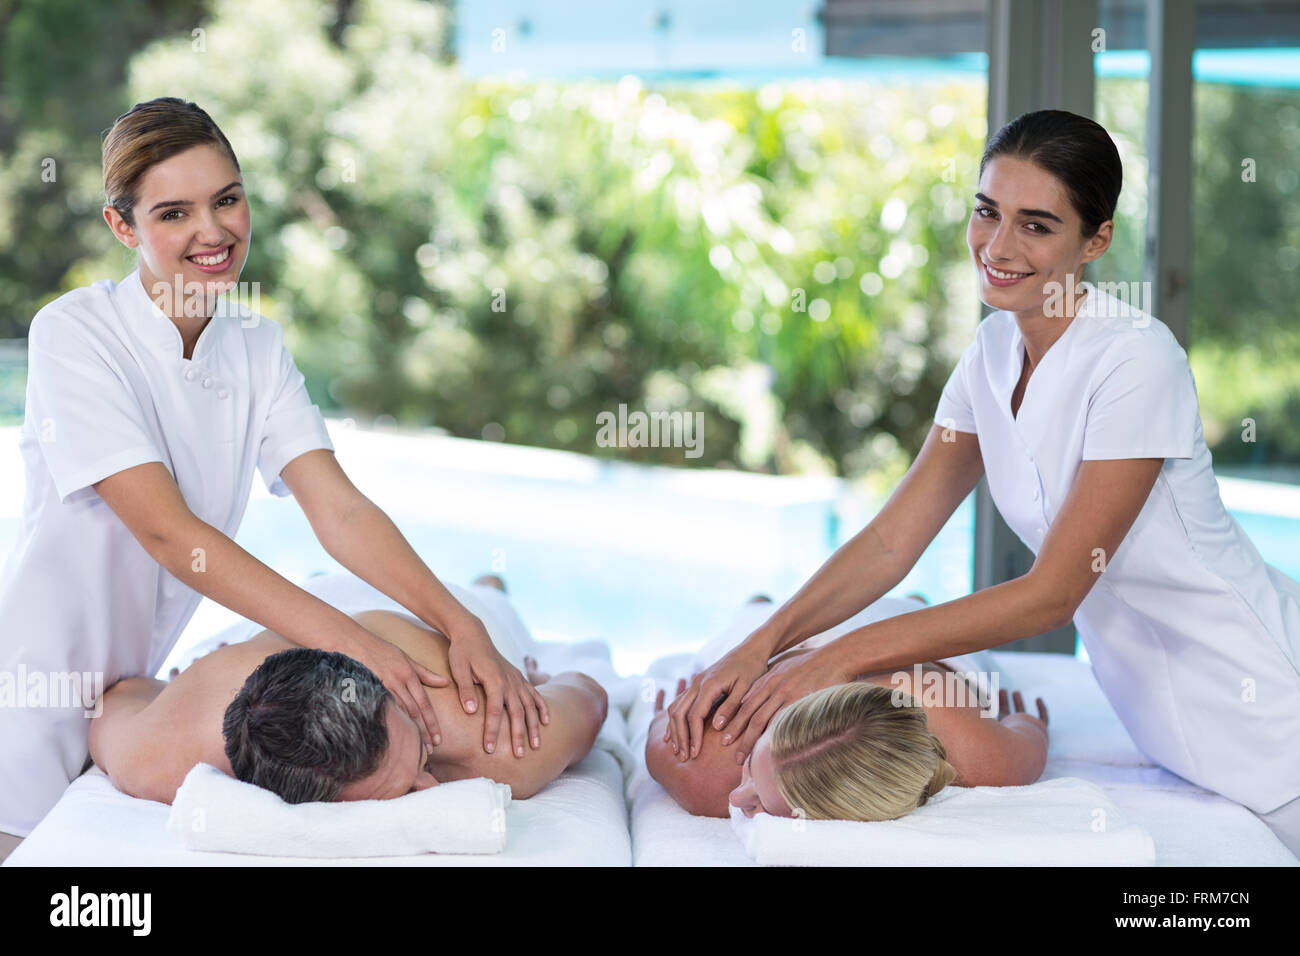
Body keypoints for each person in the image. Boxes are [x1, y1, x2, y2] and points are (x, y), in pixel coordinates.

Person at [665, 109, 1300, 859]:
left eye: (1037, 226)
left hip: (1264, 695)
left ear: (1095, 241)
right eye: (987, 212)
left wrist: (837, 658)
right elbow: (891, 540)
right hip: (1159, 717)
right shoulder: (992, 355)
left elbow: (1052, 594)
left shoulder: (1136, 362)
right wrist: (763, 643)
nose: (997, 247)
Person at [0, 98, 542, 861]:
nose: (212, 231)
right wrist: (358, 645)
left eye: (226, 199)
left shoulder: (255, 346)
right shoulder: (73, 335)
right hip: (29, 698)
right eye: (174, 212)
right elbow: (168, 533)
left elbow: (339, 509)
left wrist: (463, 627)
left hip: (133, 687)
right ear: (123, 228)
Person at [88, 576, 606, 805]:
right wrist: (175, 691)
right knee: (313, 583)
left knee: (492, 594)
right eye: (403, 787)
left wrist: (540, 683)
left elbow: (589, 695)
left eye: (421, 753)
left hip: (446, 604)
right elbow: (118, 696)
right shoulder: (159, 754)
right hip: (299, 600)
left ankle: (491, 584)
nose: (430, 789)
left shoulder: (490, 737)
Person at [648, 595, 1049, 819]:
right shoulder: (718, 760)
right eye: (751, 765)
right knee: (754, 609)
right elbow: (1027, 728)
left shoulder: (979, 754)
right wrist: (680, 718)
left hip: (907, 626)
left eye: (768, 806)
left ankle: (912, 600)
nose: (737, 800)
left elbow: (1030, 732)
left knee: (913, 604)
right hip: (794, 640)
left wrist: (1024, 725)